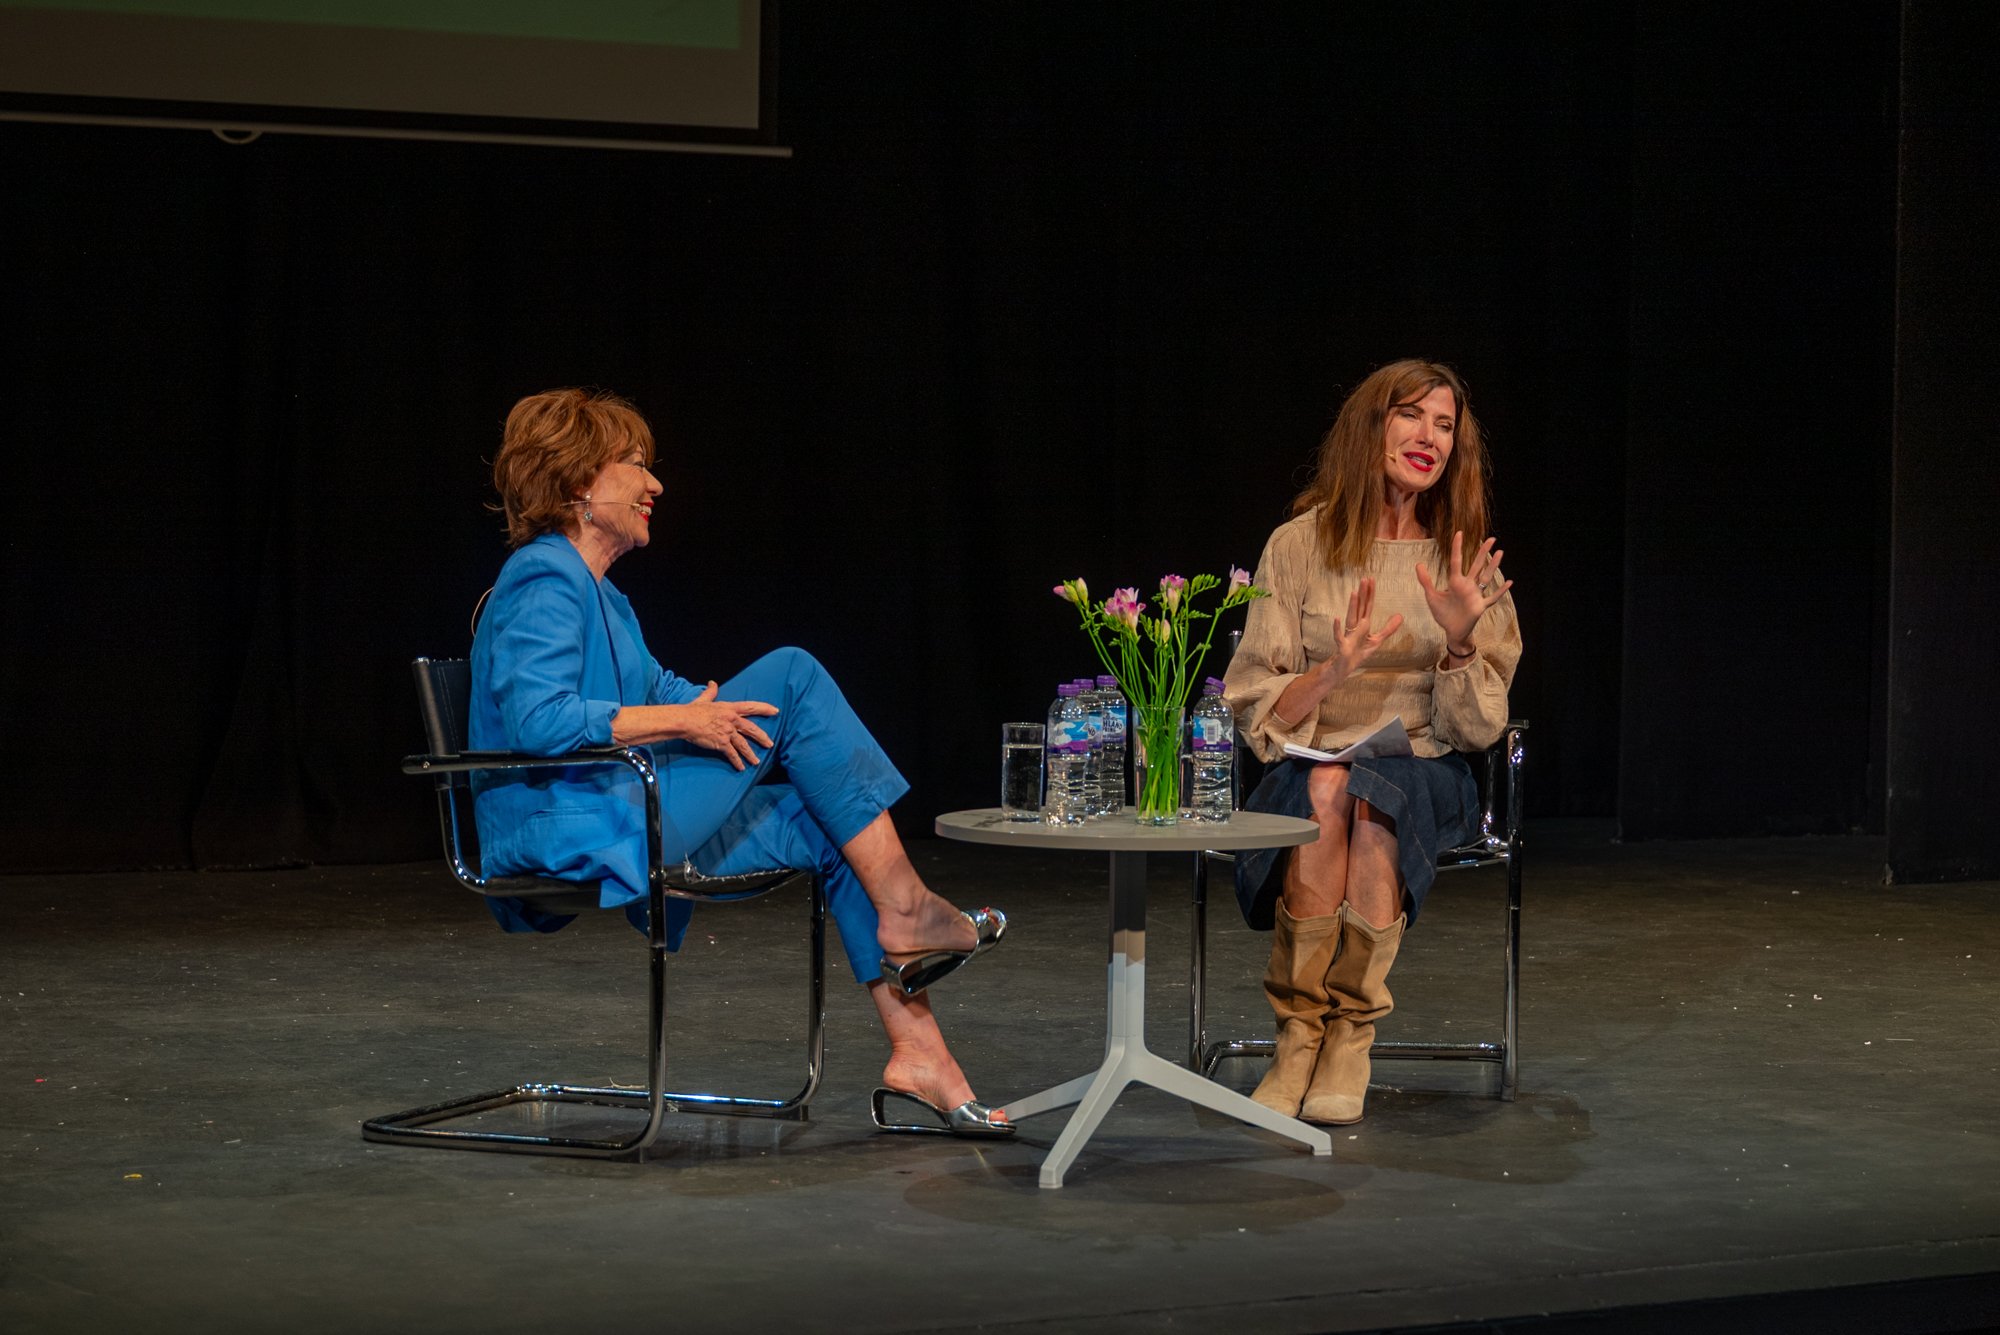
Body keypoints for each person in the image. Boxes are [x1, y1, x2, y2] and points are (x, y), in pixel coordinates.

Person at [468, 387, 1010, 1137]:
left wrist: (708, 706)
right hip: (569, 822)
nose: (655, 483)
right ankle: (910, 906)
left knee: (823, 816)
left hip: (620, 800)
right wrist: (692, 719)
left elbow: (658, 689)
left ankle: (922, 1055)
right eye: (634, 464)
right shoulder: (542, 576)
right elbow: (537, 719)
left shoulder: (606, 598)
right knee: (791, 672)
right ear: (577, 483)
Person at [1223, 359, 1520, 1125]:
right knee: (1332, 786)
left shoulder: (1459, 559)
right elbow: (1254, 702)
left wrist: (1457, 644)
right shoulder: (1297, 547)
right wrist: (1333, 672)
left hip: (1426, 769)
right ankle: (1300, 1037)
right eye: (1411, 415)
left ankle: (1348, 1037)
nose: (1430, 437)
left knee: (1373, 795)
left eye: (1445, 424)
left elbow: (1480, 728)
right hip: (1308, 766)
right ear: (1371, 426)